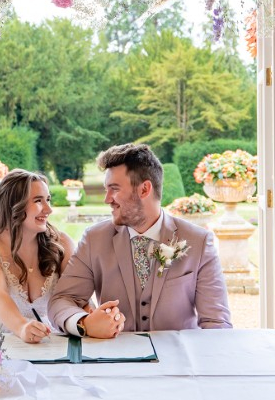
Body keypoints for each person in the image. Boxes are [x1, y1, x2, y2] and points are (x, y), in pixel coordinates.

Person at [48, 143, 232, 337]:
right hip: (116, 354)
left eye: (114, 189)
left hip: (179, 354)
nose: (107, 199)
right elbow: (62, 300)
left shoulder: (198, 242)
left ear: (144, 189)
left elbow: (217, 323)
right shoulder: (94, 239)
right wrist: (84, 323)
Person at [0, 169, 77, 343]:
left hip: (52, 334)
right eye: (38, 201)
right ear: (14, 205)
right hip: (6, 334)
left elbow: (77, 294)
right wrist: (22, 327)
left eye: (48, 200)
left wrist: (92, 319)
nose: (48, 209)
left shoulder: (62, 243)